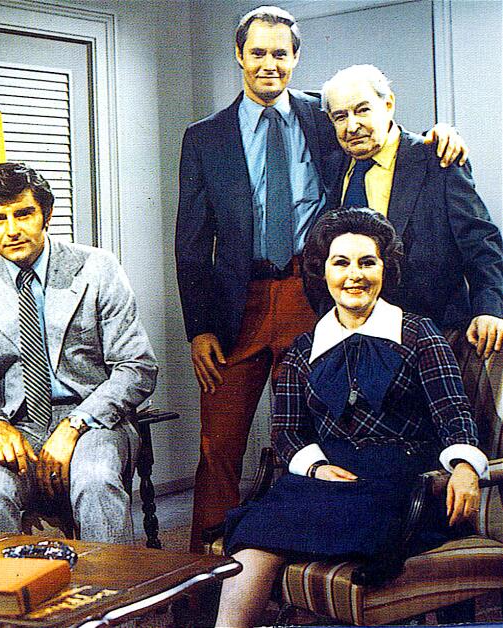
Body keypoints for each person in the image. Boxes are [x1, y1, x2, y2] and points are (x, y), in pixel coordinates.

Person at [176, 5, 468, 553]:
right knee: (219, 444)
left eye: (279, 54)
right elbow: (191, 243)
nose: (268, 64)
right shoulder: (204, 137)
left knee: (319, 432)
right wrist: (200, 328)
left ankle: (300, 551)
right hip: (238, 305)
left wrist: (439, 136)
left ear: (295, 58)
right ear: (239, 55)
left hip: (310, 294)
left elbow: (381, 136)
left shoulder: (324, 117)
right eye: (257, 53)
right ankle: (202, 574)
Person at [215, 207, 488, 627]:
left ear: (385, 269)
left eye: (367, 262)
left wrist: (466, 467)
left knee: (360, 528)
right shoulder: (303, 349)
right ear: (323, 272)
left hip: (401, 479)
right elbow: (287, 432)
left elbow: (454, 413)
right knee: (254, 535)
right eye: (341, 263)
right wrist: (317, 468)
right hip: (326, 480)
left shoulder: (420, 334)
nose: (354, 275)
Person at [0, 163, 157, 545]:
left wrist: (75, 424)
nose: (12, 230)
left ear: (47, 214)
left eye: (23, 214)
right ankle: (7, 586)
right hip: (18, 424)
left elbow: (137, 366)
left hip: (95, 420)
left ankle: (110, 585)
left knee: (95, 479)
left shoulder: (97, 268)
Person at [319, 64, 503, 359]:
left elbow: (481, 241)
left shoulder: (438, 158)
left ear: (388, 104)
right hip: (355, 341)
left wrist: (489, 308)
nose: (352, 126)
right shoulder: (333, 167)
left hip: (435, 334)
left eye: (363, 110)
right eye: (340, 116)